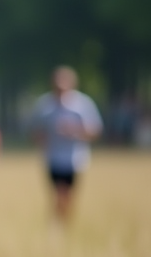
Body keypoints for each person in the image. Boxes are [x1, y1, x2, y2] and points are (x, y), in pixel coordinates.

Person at [29, 66, 103, 225]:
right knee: (57, 193)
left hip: (74, 158)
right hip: (52, 157)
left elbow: (95, 130)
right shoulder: (44, 105)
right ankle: (57, 223)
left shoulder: (82, 104)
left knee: (67, 195)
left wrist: (74, 130)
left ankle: (62, 223)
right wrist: (41, 138)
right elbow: (35, 131)